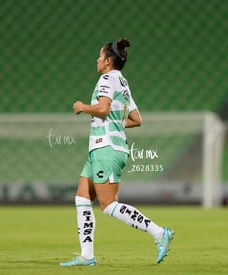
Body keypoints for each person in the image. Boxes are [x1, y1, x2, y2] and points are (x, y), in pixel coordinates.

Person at [60, 38, 174, 267]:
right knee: (82, 198)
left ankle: (159, 233)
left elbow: (102, 109)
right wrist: (113, 122)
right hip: (100, 148)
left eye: (100, 56)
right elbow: (136, 120)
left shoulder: (106, 79)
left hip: (107, 149)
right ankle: (87, 256)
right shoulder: (122, 82)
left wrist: (83, 107)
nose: (97, 60)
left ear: (108, 60)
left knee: (109, 205)